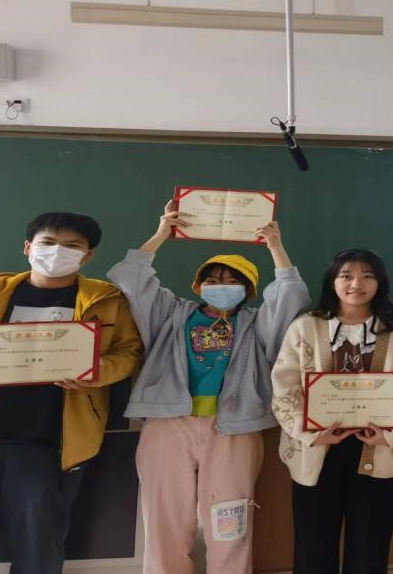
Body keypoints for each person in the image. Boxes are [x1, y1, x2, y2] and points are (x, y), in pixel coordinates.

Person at [0, 212, 143, 574]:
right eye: (48, 243)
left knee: (38, 550)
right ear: (28, 248)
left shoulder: (106, 301)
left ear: (88, 255)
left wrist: (97, 372)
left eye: (71, 246)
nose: (57, 252)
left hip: (50, 447)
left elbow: (128, 353)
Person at [106, 200, 310, 574]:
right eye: (213, 280)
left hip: (233, 428)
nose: (221, 287)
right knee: (164, 518)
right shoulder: (172, 313)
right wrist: (161, 234)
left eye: (233, 281)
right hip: (168, 425)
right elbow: (130, 278)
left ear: (249, 289)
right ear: (198, 285)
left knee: (230, 521)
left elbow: (290, 298)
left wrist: (275, 247)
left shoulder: (256, 324)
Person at [271, 249, 393, 574]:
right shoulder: (305, 327)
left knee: (370, 547)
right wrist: (310, 433)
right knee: (313, 547)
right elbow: (285, 389)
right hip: (316, 449)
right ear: (332, 281)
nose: (357, 284)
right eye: (346, 276)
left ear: (380, 283)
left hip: (378, 449)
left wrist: (391, 435)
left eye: (367, 276)